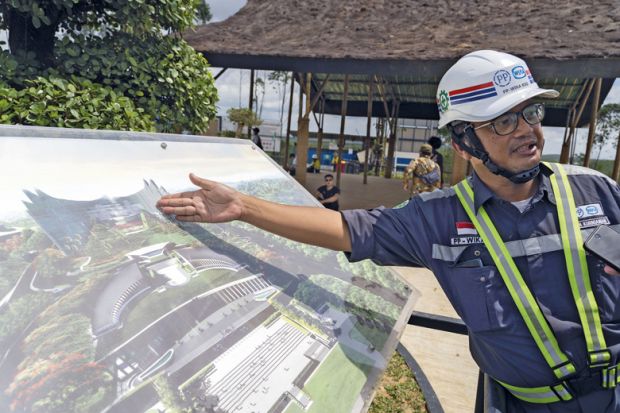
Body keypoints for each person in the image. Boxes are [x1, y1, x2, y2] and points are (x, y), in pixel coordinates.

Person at [157, 50, 620, 412]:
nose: (528, 131)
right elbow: (343, 228)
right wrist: (244, 207)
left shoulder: (597, 191)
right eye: (504, 120)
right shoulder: (434, 219)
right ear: (463, 140)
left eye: (532, 114)